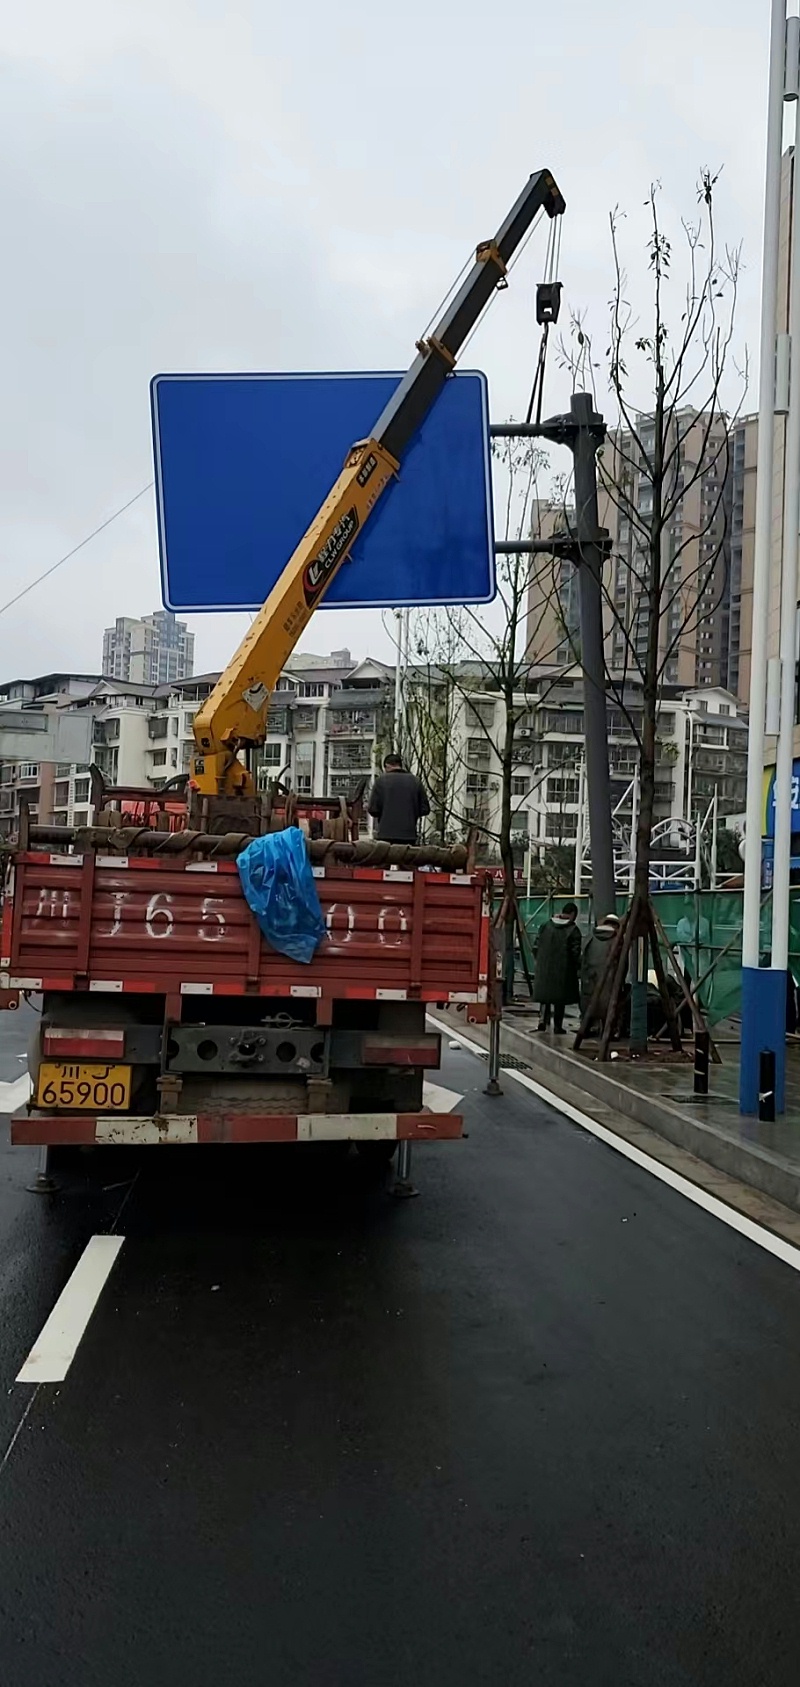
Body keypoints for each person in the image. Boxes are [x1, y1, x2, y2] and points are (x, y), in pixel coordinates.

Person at [533, 902, 581, 1033]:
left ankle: (542, 1020)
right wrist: (578, 967)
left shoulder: (545, 925)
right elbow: (575, 953)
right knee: (560, 999)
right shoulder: (572, 930)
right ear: (572, 915)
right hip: (563, 971)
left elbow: (535, 946)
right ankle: (558, 1026)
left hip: (545, 968)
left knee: (545, 996)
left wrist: (540, 961)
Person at [368, 754, 430, 845]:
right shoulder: (415, 781)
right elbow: (425, 809)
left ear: (387, 766)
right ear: (400, 765)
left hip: (386, 835)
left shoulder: (380, 781)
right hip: (409, 835)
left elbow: (373, 810)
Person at [580, 913, 621, 1036]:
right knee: (609, 1005)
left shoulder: (590, 936)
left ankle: (586, 1029)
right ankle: (608, 1031)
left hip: (590, 977)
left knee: (590, 1003)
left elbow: (582, 957)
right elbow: (621, 962)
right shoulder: (617, 939)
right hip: (610, 977)